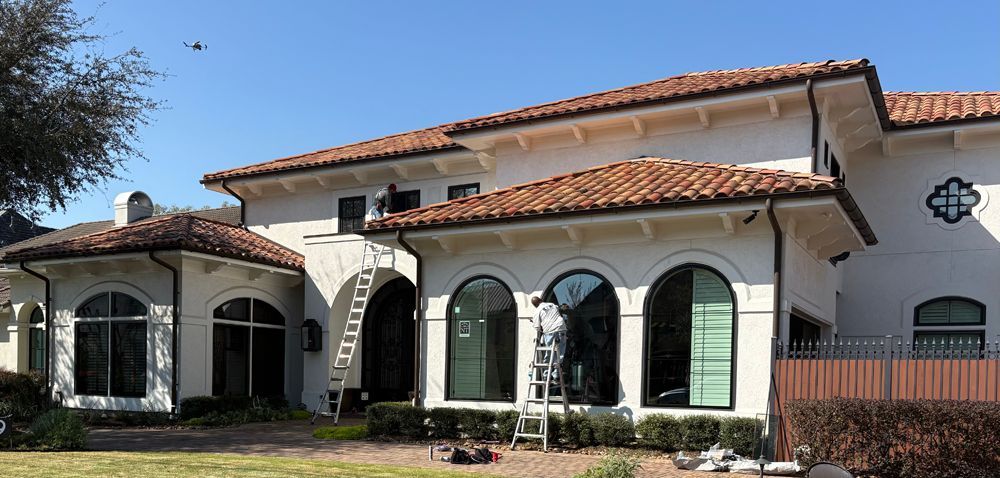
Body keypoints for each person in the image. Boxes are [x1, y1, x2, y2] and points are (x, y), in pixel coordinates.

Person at [530, 296, 567, 383]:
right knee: (560, 352)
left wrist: (538, 324)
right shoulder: (552, 304)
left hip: (550, 331)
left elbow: (537, 327)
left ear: (534, 305)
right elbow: (559, 309)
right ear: (541, 300)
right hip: (561, 328)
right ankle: (556, 375)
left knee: (549, 353)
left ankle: (546, 375)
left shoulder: (537, 311)